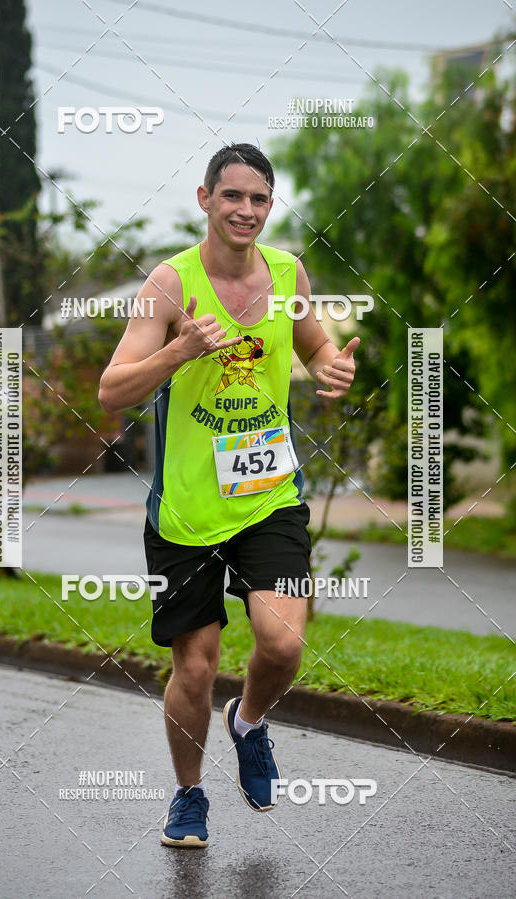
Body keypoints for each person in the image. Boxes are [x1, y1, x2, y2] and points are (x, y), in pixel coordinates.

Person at [98, 142, 359, 848]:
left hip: (269, 493)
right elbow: (111, 390)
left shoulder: (286, 271)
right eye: (233, 195)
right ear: (206, 199)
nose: (246, 209)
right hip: (186, 509)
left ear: (270, 206)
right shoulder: (168, 284)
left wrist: (333, 365)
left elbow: (312, 346)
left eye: (259, 198)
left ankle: (247, 722)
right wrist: (178, 350)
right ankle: (188, 795)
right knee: (196, 663)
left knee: (282, 641)